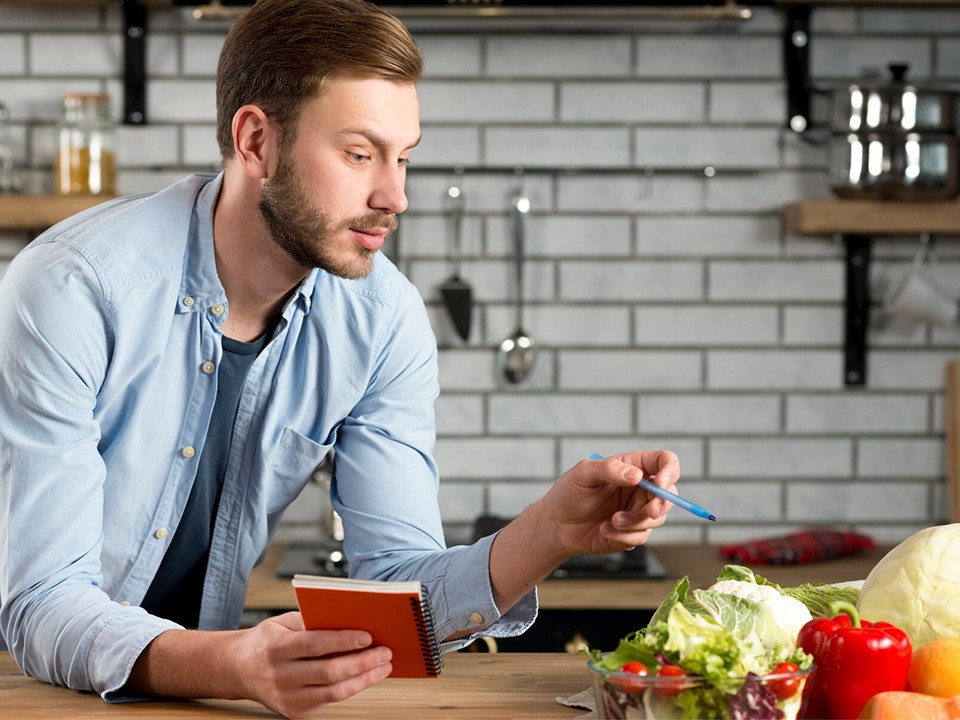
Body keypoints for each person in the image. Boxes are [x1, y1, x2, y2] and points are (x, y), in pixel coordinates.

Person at [0, 0, 681, 717]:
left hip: (197, 697)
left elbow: (394, 588)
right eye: (360, 154)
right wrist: (233, 661)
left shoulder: (381, 320)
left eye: (404, 157)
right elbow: (44, 602)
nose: (396, 196)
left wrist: (551, 532)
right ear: (256, 141)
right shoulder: (74, 289)